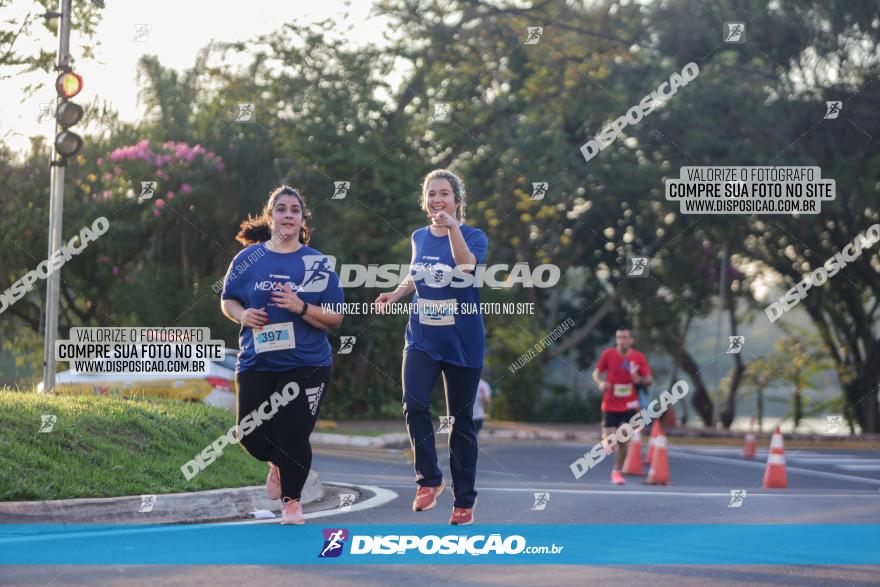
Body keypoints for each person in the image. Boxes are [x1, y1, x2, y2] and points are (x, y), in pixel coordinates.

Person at [220, 186, 344, 524]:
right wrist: (242, 316)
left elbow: (335, 317)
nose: (288, 215)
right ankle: (277, 463)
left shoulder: (316, 263)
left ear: (302, 219)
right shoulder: (248, 258)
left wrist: (300, 306)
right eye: (281, 209)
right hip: (257, 362)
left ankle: (292, 502)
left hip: (306, 363)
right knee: (251, 435)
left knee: (292, 431)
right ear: (270, 216)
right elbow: (228, 300)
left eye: (295, 210)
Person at [375, 169, 488, 525]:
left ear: (457, 200)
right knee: (414, 403)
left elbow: (465, 267)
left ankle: (464, 501)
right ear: (424, 202)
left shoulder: (473, 236)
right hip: (422, 336)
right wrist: (397, 292)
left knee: (461, 421)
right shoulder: (419, 236)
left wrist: (453, 227)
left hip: (462, 342)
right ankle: (429, 480)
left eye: (444, 193)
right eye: (431, 194)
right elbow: (416, 272)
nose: (437, 199)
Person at [592, 326, 653, 485]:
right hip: (610, 403)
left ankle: (616, 471)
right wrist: (601, 383)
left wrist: (637, 379)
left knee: (624, 440)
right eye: (619, 337)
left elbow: (649, 380)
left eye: (625, 337)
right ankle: (606, 439)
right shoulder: (608, 354)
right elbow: (596, 373)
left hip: (630, 404)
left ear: (631, 340)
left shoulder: (639, 357)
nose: (621, 340)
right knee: (610, 440)